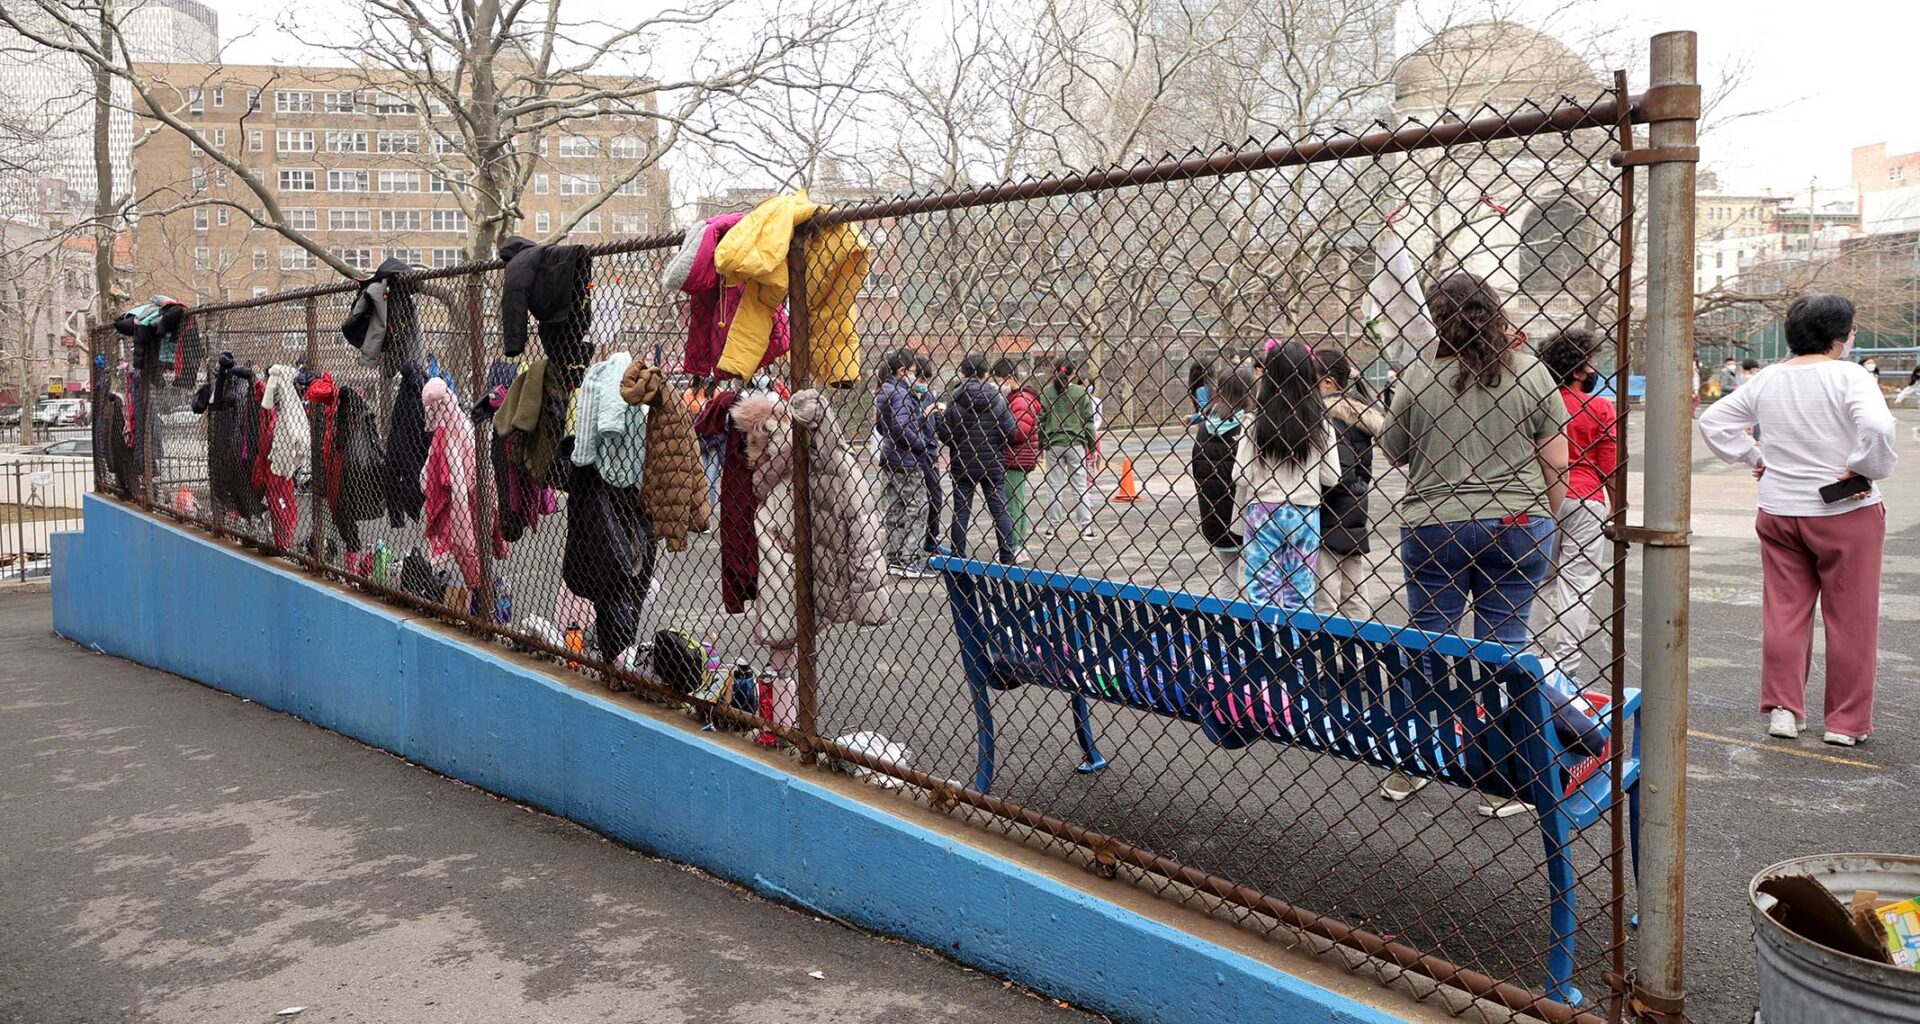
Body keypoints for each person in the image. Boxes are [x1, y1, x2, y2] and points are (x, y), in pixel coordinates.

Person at [1379, 273, 1569, 814]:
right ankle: (1499, 776)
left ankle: (1413, 761)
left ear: (1436, 320)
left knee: (1431, 640)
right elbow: (1557, 462)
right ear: (1496, 313)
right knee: (1502, 646)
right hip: (1517, 519)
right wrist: (1544, 519)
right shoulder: (1531, 371)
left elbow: (1393, 449)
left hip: (1433, 522)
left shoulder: (1419, 375)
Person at [1699, 293, 1897, 746]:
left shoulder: (1769, 377)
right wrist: (1865, 467)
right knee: (1851, 619)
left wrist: (1754, 456)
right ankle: (1845, 723)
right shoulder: (1850, 375)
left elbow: (1714, 422)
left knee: (1785, 614)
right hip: (1844, 511)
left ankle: (1784, 710)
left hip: (1779, 509)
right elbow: (1878, 427)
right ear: (1840, 337)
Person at [1538, 328, 1618, 685]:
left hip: (1542, 496)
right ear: (1580, 368)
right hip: (1586, 497)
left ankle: (1532, 659)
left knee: (1539, 579)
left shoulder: (1540, 402)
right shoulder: (1598, 406)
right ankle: (1564, 666)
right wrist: (1614, 506)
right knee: (1578, 583)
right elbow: (1608, 464)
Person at [1236, 340, 1340, 608]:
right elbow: (1331, 477)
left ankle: (1264, 635)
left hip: (1263, 510)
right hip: (1304, 512)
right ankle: (1297, 635)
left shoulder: (1254, 421)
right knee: (1300, 595)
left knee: (1261, 595)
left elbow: (1240, 475)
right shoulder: (1321, 423)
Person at [1314, 350, 1385, 619]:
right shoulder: (1357, 414)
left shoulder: (1331, 418)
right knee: (1353, 592)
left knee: (1326, 596)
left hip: (1330, 515)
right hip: (1352, 511)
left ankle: (1327, 645)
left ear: (1328, 383)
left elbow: (1339, 475)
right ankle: (1360, 642)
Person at [938, 354, 1019, 564]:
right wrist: (995, 442)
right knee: (999, 509)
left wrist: (959, 443)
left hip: (963, 463)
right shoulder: (998, 400)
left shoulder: (956, 400)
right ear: (986, 374)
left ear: (963, 373)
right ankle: (1007, 554)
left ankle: (958, 555)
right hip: (992, 462)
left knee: (961, 509)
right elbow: (1011, 432)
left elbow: (945, 434)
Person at [1192, 359, 1256, 599]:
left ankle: (1225, 618)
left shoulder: (1204, 427)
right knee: (1255, 573)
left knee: (1226, 572)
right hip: (1245, 515)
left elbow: (1198, 470)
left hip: (1214, 514)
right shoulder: (1249, 426)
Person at [874, 350, 936, 578]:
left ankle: (894, 558)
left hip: (890, 456)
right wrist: (920, 444)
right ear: (902, 371)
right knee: (918, 508)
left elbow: (884, 426)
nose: (913, 376)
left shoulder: (884, 390)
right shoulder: (900, 393)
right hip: (907, 459)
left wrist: (921, 417)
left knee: (895, 509)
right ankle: (909, 559)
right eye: (912, 371)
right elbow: (901, 427)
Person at [1039, 360, 1096, 538]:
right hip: (1075, 442)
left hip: (1054, 442)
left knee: (1054, 486)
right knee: (1079, 485)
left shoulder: (1047, 392)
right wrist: (1092, 445)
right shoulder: (1080, 392)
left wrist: (1040, 444)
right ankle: (1086, 527)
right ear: (1074, 373)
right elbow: (1088, 421)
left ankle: (1052, 527)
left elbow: (1041, 419)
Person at [994, 358, 1042, 556]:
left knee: (1012, 503)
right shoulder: (1016, 398)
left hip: (1016, 457)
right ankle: (1018, 543)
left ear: (1009, 378)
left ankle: (1013, 544)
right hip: (1019, 457)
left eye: (998, 380)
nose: (997, 385)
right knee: (1016, 502)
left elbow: (1019, 432)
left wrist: (999, 428)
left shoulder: (1020, 401)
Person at [914, 356, 945, 559]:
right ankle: (910, 546)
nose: (924, 384)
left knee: (936, 497)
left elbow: (936, 425)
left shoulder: (929, 397)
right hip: (914, 452)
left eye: (927, 380)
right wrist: (924, 414)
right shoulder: (906, 397)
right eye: (921, 379)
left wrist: (940, 416)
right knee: (914, 502)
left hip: (930, 451)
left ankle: (931, 538)